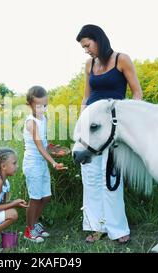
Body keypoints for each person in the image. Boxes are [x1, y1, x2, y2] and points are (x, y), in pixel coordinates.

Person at [76, 24, 143, 244]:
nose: (86, 50)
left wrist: (129, 120)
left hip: (113, 127)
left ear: (98, 39)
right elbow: (87, 97)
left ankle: (117, 228)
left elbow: (136, 93)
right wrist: (81, 122)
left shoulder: (121, 59)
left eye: (87, 45)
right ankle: (96, 227)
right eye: (83, 47)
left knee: (110, 177)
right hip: (91, 126)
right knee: (91, 178)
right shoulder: (89, 64)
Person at [22, 86, 67, 243]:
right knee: (35, 198)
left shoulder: (43, 119)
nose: (42, 109)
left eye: (45, 105)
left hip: (41, 163)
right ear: (30, 105)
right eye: (39, 106)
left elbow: (45, 144)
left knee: (46, 197)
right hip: (32, 164)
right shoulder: (31, 123)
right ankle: (29, 230)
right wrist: (54, 163)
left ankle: (34, 224)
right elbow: (39, 147)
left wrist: (54, 149)